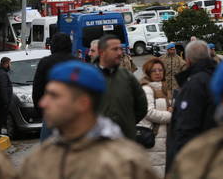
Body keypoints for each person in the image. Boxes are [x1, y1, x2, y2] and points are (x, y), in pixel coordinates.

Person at [16, 61, 159, 179]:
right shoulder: (39, 159)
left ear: (82, 103)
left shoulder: (126, 163)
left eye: (54, 96)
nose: (43, 103)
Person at [166, 40, 216, 172]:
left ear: (187, 60)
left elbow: (186, 127)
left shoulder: (195, 84)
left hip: (195, 160)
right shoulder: (218, 78)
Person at [96, 34, 147, 140]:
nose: (120, 52)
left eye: (120, 49)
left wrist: (128, 123)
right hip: (98, 144)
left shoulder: (127, 76)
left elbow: (141, 106)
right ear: (101, 52)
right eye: (115, 49)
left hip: (125, 140)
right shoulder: (89, 76)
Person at [33, 32, 76, 141]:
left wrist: (42, 112)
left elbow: (37, 90)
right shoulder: (77, 62)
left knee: (48, 151)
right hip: (73, 114)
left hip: (52, 113)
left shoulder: (45, 63)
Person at [137, 58, 172, 178]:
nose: (158, 73)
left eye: (160, 70)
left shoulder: (163, 88)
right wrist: (170, 115)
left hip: (163, 138)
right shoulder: (147, 89)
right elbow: (149, 112)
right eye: (154, 70)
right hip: (154, 137)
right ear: (148, 72)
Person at [0, 57, 12, 135]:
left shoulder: (1, 72)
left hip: (1, 100)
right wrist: (6, 101)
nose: (10, 65)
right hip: (2, 101)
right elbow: (3, 88)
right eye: (9, 63)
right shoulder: (2, 74)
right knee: (0, 118)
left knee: (1, 118)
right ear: (6, 64)